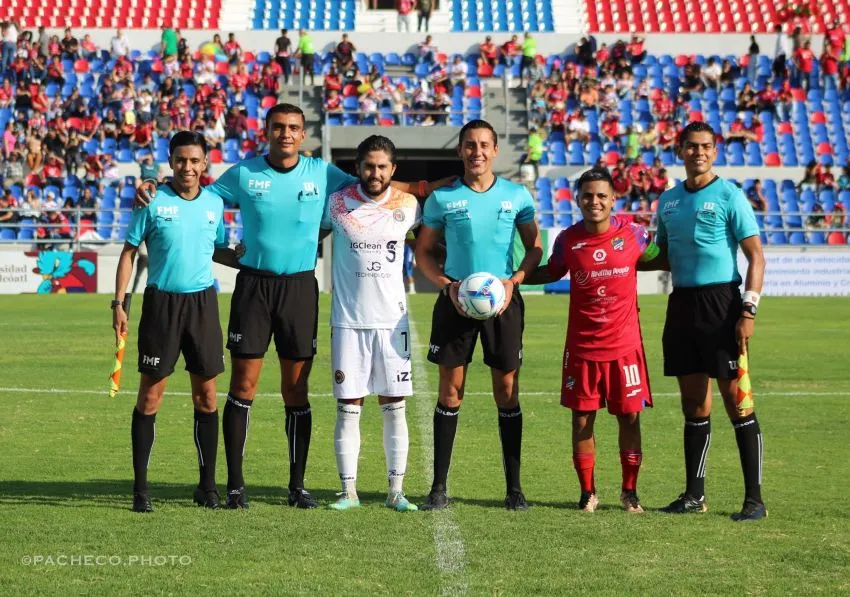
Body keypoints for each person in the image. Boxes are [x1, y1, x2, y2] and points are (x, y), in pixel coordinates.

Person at [136, 103, 451, 510]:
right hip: (253, 288)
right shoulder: (244, 173)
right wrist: (152, 183)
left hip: (301, 288)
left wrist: (445, 183)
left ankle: (297, 486)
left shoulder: (323, 173)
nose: (286, 133)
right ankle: (234, 486)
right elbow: (192, 189)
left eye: (293, 128)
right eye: (278, 127)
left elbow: (385, 184)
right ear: (266, 131)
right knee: (243, 387)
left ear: (303, 134)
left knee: (295, 390)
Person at [415, 120, 543, 511]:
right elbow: (422, 252)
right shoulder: (442, 199)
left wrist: (514, 281)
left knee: (507, 392)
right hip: (456, 302)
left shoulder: (517, 196)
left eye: (485, 145)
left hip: (502, 304)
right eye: (470, 145)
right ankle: (439, 487)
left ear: (496, 150)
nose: (477, 152)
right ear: (460, 151)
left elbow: (535, 248)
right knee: (450, 391)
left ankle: (514, 489)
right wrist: (445, 284)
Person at [113, 131, 241, 512]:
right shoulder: (151, 200)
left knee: (207, 397)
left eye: (194, 160)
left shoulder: (215, 204)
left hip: (203, 305)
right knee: (150, 398)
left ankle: (207, 488)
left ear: (205, 164)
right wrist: (118, 303)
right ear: (171, 161)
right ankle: (141, 490)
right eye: (181, 160)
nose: (187, 167)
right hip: (161, 306)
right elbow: (128, 253)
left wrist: (249, 258)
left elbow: (217, 249)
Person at [525, 167, 666, 512]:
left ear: (613, 199)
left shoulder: (633, 235)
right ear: (578, 199)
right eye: (588, 195)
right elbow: (551, 271)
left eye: (602, 195)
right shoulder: (568, 240)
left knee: (630, 418)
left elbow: (657, 259)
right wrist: (511, 278)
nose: (595, 202)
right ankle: (588, 492)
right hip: (583, 348)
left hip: (625, 348)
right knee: (582, 420)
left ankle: (629, 492)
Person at [654, 122, 767, 522]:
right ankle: (694, 495)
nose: (697, 153)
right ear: (680, 150)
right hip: (682, 305)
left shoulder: (729, 195)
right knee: (693, 404)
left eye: (704, 147)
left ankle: (754, 499)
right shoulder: (667, 201)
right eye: (690, 146)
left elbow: (756, 256)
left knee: (738, 402)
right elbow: (662, 256)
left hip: (722, 306)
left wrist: (748, 311)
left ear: (714, 152)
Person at [320, 135, 420, 512]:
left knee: (395, 406)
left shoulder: (408, 206)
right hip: (348, 322)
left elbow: (436, 236)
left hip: (393, 324)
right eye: (368, 166)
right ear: (357, 167)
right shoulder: (336, 204)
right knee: (349, 406)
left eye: (382, 167)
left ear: (393, 170)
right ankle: (348, 492)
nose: (374, 173)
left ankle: (397, 492)